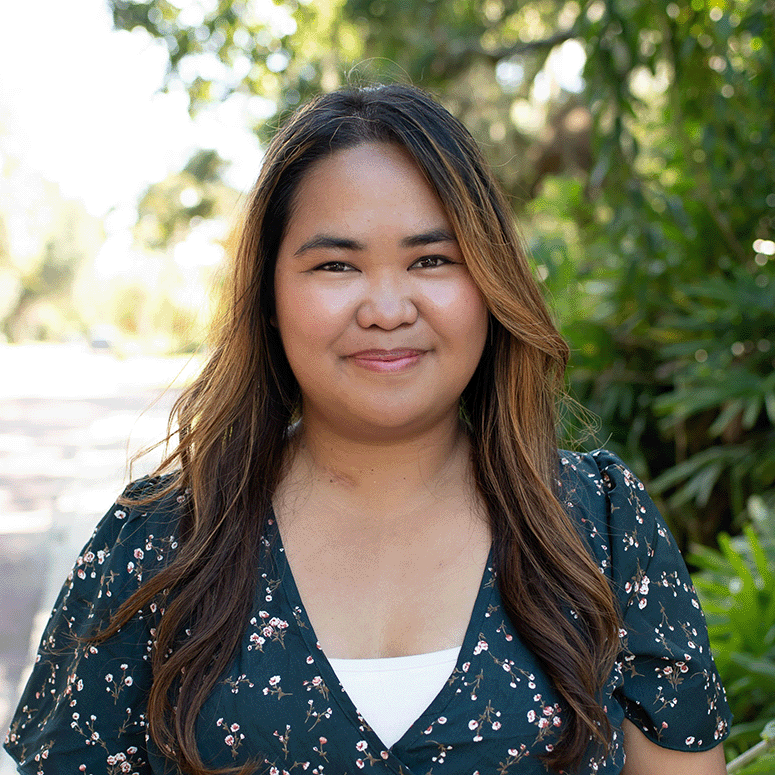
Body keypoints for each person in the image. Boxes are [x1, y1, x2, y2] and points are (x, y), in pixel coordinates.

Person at [4, 84, 731, 775]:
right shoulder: (159, 541)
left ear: (489, 281)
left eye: (431, 259)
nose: (386, 307)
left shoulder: (597, 521)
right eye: (334, 264)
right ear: (269, 296)